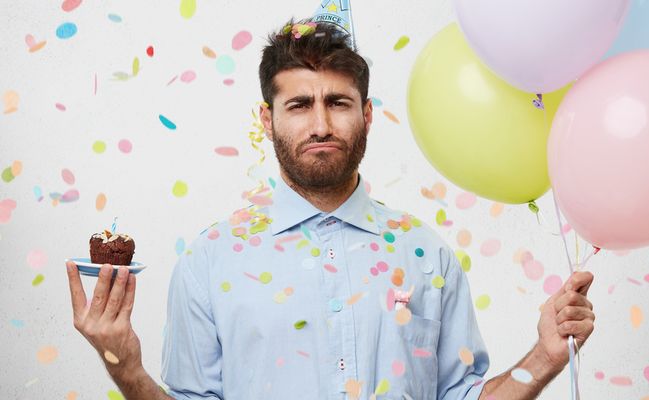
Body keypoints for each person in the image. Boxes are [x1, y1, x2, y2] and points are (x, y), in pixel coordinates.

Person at [65, 19, 595, 400]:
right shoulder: (210, 260)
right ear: (267, 120)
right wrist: (126, 367)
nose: (320, 125)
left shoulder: (425, 255)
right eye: (299, 105)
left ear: (366, 115)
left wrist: (545, 356)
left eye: (338, 103)